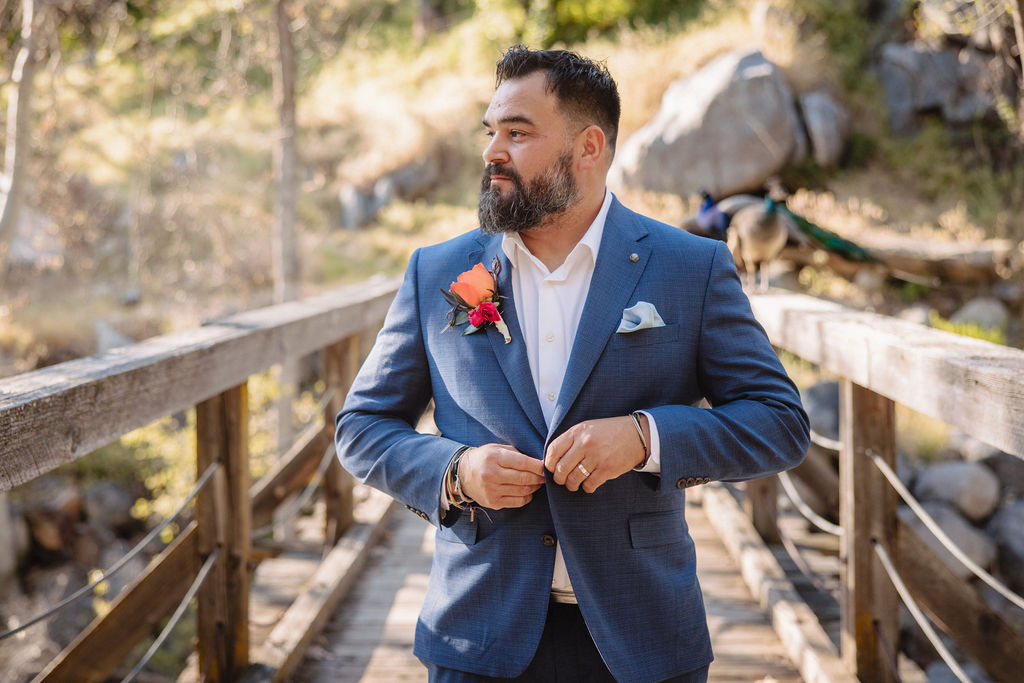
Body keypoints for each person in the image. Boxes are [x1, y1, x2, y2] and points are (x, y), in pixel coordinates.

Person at [336, 45, 809, 683]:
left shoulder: (690, 268)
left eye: (519, 132)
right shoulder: (438, 273)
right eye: (491, 131)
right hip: (476, 634)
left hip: (642, 638)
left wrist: (647, 438)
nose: (492, 152)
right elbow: (362, 427)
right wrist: (454, 469)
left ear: (589, 146)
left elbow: (778, 422)